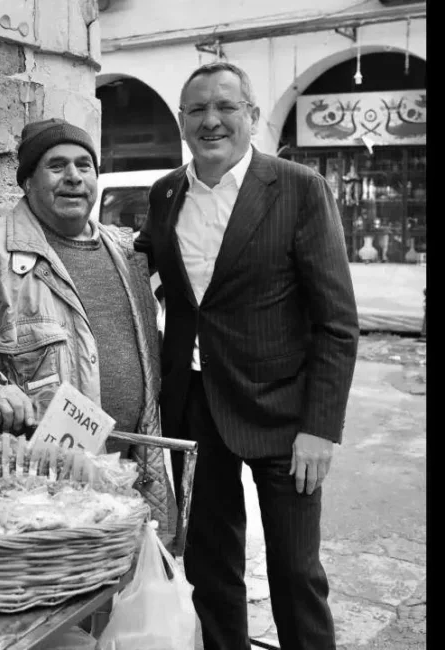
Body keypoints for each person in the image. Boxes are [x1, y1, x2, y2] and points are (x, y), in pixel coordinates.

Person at [135, 62, 360, 650]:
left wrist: (321, 428)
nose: (211, 120)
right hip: (196, 407)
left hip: (284, 414)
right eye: (197, 110)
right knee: (210, 567)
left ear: (253, 117)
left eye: (225, 107)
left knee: (295, 574)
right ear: (181, 122)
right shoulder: (165, 194)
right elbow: (145, 269)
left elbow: (336, 323)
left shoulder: (298, 188)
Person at [0, 117, 177, 547]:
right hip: (37, 492)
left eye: (85, 166)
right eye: (57, 165)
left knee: (123, 601)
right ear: (27, 181)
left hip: (124, 474)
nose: (73, 177)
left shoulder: (124, 254)